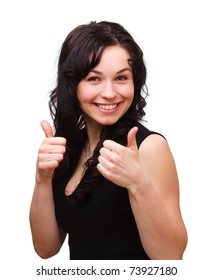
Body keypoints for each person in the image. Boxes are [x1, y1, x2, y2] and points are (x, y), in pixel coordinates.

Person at [29, 21, 187, 260]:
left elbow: (172, 257)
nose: (110, 92)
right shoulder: (69, 148)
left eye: (121, 78)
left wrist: (138, 184)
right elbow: (46, 248)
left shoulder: (150, 147)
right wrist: (42, 178)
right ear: (72, 85)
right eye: (94, 79)